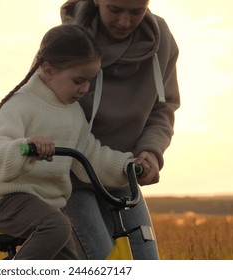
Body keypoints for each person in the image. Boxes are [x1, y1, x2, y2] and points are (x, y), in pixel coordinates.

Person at [0, 24, 139, 260]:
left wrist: (129, 166)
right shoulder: (22, 104)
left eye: (90, 81)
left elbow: (89, 155)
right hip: (7, 200)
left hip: (45, 207)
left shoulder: (74, 114)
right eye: (78, 80)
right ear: (48, 70)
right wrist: (25, 147)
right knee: (57, 227)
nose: (85, 89)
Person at [59, 0, 181, 259]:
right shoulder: (67, 42)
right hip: (69, 177)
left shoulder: (164, 43)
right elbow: (32, 104)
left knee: (146, 261)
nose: (125, 22)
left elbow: (164, 108)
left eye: (136, 12)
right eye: (115, 10)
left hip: (123, 172)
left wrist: (151, 150)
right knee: (104, 260)